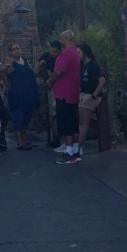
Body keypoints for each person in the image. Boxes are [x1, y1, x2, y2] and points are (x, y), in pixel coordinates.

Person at [48, 31, 81, 163]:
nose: (61, 41)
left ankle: (69, 152)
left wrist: (50, 81)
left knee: (67, 124)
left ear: (66, 38)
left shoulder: (67, 53)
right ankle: (76, 151)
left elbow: (58, 72)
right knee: (73, 123)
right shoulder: (75, 53)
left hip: (64, 94)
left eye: (62, 38)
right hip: (73, 93)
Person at [0, 44, 37, 150]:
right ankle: (19, 141)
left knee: (27, 116)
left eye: (18, 48)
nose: (17, 50)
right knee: (18, 115)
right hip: (17, 93)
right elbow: (2, 72)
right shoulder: (10, 62)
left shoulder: (25, 60)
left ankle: (25, 138)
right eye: (14, 49)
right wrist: (7, 82)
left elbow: (33, 72)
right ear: (10, 52)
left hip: (29, 93)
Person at [77, 43, 106, 156]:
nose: (77, 55)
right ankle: (75, 145)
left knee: (84, 122)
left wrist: (93, 95)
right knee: (79, 121)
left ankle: (79, 147)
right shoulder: (83, 65)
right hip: (83, 94)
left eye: (79, 53)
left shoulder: (93, 65)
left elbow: (102, 81)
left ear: (84, 53)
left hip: (90, 96)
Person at [35, 40, 63, 146]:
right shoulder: (46, 56)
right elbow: (35, 72)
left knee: (55, 112)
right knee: (51, 111)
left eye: (55, 52)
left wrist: (52, 77)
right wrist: (41, 66)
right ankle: (55, 135)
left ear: (60, 51)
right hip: (48, 87)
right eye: (51, 51)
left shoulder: (62, 59)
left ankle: (57, 135)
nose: (53, 53)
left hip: (59, 86)